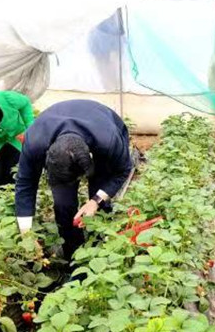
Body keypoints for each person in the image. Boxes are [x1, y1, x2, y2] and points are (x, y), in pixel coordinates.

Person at [14, 100, 133, 261]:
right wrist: (27, 236)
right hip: (54, 131)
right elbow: (25, 184)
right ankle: (73, 256)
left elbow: (123, 170)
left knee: (100, 194)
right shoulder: (35, 141)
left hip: (101, 125)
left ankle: (101, 248)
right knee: (63, 204)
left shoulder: (109, 140)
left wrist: (95, 201)